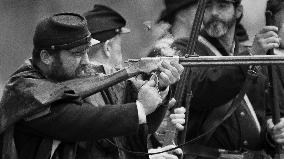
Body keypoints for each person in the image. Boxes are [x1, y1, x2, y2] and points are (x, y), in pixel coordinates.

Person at [0, 12, 184, 159]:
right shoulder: (25, 89)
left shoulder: (81, 74)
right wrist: (140, 108)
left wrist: (159, 86)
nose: (86, 61)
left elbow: (133, 113)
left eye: (87, 52)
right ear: (47, 57)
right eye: (76, 53)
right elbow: (78, 120)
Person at [170, 0, 284, 158]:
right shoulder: (184, 49)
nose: (214, 12)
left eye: (222, 5)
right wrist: (249, 58)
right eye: (207, 6)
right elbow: (198, 89)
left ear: (238, 11)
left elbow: (265, 118)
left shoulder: (252, 54)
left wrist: (272, 134)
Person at [84, 5, 185, 159]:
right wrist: (150, 156)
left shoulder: (108, 85)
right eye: (119, 44)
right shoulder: (90, 90)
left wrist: (161, 86)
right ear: (107, 48)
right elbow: (108, 143)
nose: (121, 51)